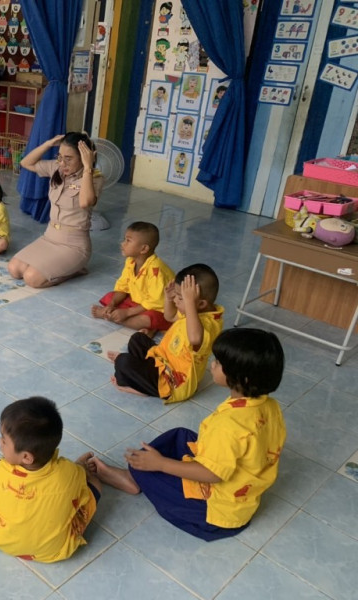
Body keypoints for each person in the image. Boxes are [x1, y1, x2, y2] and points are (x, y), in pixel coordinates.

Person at [91, 328, 286, 542]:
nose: (212, 364)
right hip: (239, 495)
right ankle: (142, 473)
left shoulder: (229, 425)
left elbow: (212, 474)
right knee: (180, 435)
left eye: (219, 362)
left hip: (215, 513)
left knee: (145, 468)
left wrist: (161, 464)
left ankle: (134, 478)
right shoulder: (269, 406)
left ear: (244, 379)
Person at [0, 397, 100, 562]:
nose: (0, 442)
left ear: (26, 457)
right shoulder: (70, 471)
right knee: (94, 484)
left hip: (1, 540)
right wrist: (80, 467)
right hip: (55, 550)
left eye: (4, 441)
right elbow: (79, 480)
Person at [110, 263, 224, 403]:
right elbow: (169, 317)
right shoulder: (196, 311)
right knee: (137, 338)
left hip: (173, 382)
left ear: (200, 304)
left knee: (123, 361)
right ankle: (140, 372)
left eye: (180, 298)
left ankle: (136, 386)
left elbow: (195, 339)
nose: (176, 300)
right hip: (163, 360)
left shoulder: (209, 324)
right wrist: (169, 298)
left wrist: (189, 303)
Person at [8, 132, 104, 288]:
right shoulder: (56, 168)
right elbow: (26, 163)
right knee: (14, 269)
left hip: (74, 246)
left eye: (69, 158)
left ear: (83, 158)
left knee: (32, 278)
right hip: (49, 237)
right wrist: (48, 144)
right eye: (60, 157)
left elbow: (85, 202)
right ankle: (61, 268)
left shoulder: (94, 178)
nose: (63, 163)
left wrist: (88, 167)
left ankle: (75, 270)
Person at [91, 222, 174, 334]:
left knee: (146, 319)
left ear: (143, 249)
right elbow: (123, 287)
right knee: (110, 297)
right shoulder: (130, 261)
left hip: (161, 310)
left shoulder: (156, 271)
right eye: (124, 239)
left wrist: (127, 312)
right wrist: (111, 305)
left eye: (128, 241)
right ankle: (146, 327)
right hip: (139, 304)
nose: (122, 244)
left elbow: (156, 302)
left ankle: (111, 317)